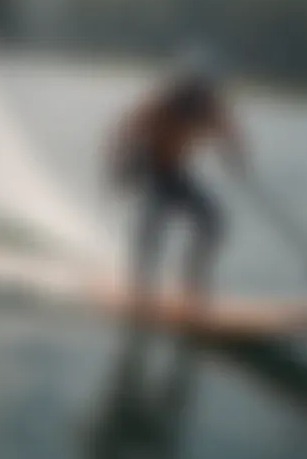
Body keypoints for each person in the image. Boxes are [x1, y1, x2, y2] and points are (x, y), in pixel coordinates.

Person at [106, 47, 249, 301]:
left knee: (212, 221)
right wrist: (116, 167)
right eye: (195, 87)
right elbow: (125, 130)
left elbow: (230, 134)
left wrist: (236, 157)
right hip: (146, 167)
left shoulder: (210, 107)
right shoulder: (164, 102)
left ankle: (192, 284)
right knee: (153, 221)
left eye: (204, 88)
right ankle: (140, 285)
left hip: (175, 173)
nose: (198, 94)